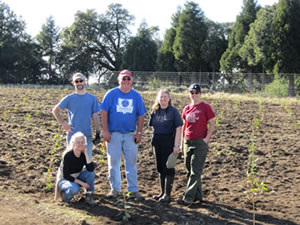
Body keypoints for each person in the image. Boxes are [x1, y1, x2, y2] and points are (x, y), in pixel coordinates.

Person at [100, 69, 146, 201]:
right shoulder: (111, 94)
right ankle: (115, 189)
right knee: (113, 162)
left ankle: (133, 190)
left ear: (132, 81)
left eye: (128, 79)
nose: (126, 81)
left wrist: (139, 132)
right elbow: (104, 112)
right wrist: (105, 131)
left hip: (130, 134)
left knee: (131, 162)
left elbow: (141, 115)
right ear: (119, 80)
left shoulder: (136, 96)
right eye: (123, 79)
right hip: (114, 134)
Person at [180, 83, 215, 206]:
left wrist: (206, 139)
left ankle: (188, 197)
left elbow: (212, 124)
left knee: (195, 171)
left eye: (196, 93)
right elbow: (185, 125)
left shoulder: (205, 107)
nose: (194, 95)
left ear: (200, 94)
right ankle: (198, 196)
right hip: (187, 141)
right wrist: (181, 143)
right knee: (189, 171)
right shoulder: (186, 108)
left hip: (200, 143)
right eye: (192, 93)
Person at [52, 72, 101, 159]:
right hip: (73, 134)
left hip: (87, 134)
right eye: (77, 81)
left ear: (85, 82)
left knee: (87, 159)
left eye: (81, 81)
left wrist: (97, 132)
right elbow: (55, 110)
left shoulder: (92, 98)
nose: (79, 83)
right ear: (73, 83)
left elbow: (95, 116)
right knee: (71, 160)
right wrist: (64, 123)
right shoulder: (69, 98)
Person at [149, 89, 182, 203]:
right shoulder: (155, 111)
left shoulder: (173, 111)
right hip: (157, 142)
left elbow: (178, 128)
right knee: (160, 167)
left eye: (165, 97)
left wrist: (177, 144)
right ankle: (162, 192)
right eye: (161, 97)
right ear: (158, 98)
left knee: (169, 167)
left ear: (169, 99)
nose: (163, 99)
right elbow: (152, 126)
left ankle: (168, 194)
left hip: (169, 141)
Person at [54, 132, 96, 206]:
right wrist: (82, 183)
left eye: (82, 142)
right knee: (75, 188)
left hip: (76, 177)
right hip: (64, 179)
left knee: (91, 174)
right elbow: (66, 175)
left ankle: (89, 196)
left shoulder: (83, 155)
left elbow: (90, 169)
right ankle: (65, 196)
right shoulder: (68, 155)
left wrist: (86, 153)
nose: (80, 144)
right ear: (73, 144)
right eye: (78, 142)